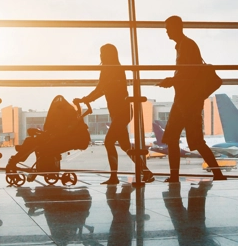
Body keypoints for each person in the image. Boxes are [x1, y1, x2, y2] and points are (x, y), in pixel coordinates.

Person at [157, 16, 225, 182]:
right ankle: (216, 174)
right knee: (189, 140)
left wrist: (172, 81)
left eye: (168, 28)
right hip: (185, 100)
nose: (166, 32)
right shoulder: (183, 45)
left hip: (187, 101)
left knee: (181, 139)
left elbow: (190, 74)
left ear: (177, 27)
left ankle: (177, 176)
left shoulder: (186, 45)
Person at [76, 44, 154, 185]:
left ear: (108, 55)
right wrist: (86, 99)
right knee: (125, 145)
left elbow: (101, 89)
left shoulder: (110, 69)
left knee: (108, 142)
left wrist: (86, 99)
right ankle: (146, 172)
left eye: (102, 53)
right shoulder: (115, 68)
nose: (100, 56)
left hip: (120, 113)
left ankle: (114, 176)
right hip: (121, 112)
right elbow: (102, 89)